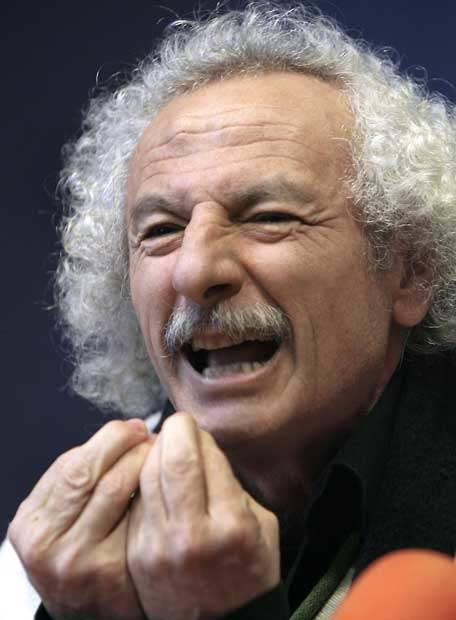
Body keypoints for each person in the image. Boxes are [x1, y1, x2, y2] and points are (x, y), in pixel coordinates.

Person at [2, 2, 456, 619]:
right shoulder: (60, 563)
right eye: (162, 230)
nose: (194, 271)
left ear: (412, 270)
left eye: (269, 217)